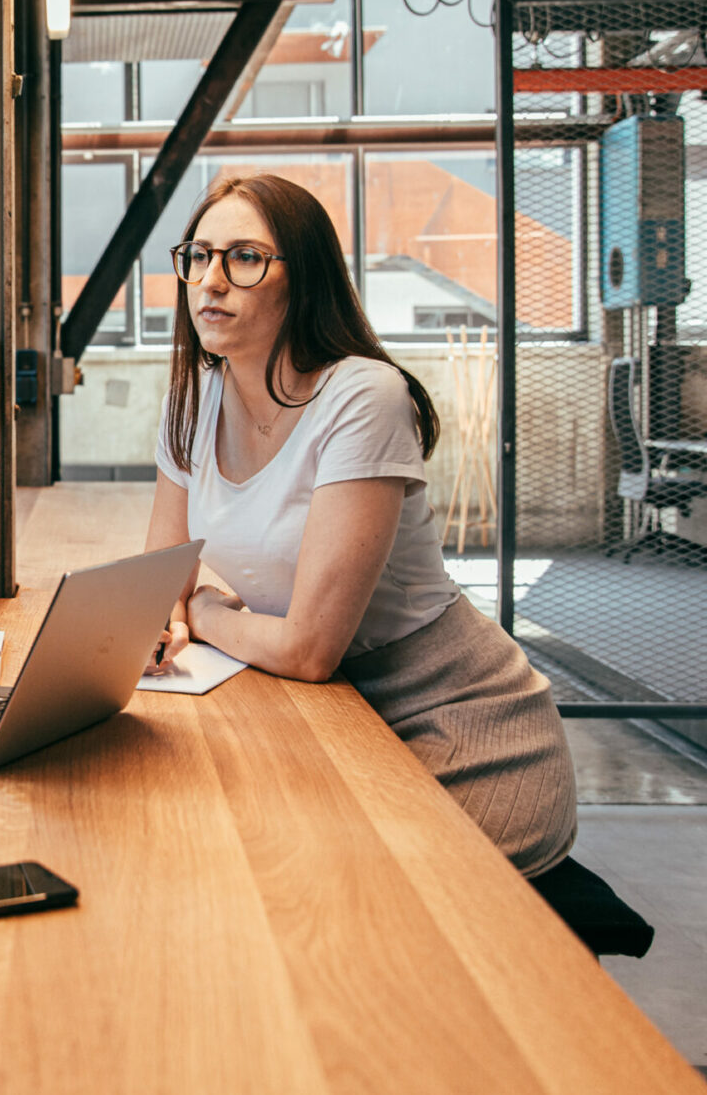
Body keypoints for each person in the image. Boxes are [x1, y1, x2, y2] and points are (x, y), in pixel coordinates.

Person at [147, 173, 576, 876]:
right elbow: (158, 586)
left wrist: (204, 609)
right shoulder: (192, 402)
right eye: (198, 255)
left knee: (330, 902)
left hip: (456, 726)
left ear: (304, 278)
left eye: (244, 258)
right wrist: (173, 610)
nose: (211, 281)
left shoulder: (364, 396)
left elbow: (310, 649)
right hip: (331, 721)